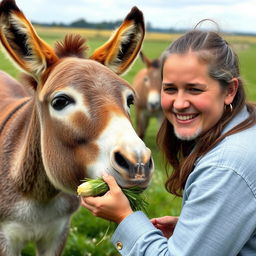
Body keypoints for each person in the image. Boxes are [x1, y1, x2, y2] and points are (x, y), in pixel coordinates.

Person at [81, 26, 256, 255]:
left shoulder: (226, 166)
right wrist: (193, 229)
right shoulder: (246, 132)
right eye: (170, 89)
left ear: (230, 91)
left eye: (194, 89)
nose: (179, 103)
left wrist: (124, 217)